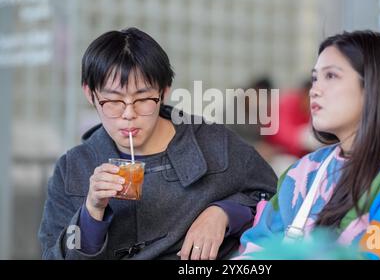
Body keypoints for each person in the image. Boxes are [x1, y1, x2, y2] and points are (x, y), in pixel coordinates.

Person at [38, 27, 277, 260]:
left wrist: (225, 212)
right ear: (90, 94)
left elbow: (275, 196)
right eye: (112, 101)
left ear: (164, 91)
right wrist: (92, 211)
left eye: (143, 99)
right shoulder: (73, 168)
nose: (128, 113)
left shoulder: (213, 143)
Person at [237, 30, 380, 260]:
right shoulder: (302, 173)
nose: (315, 90)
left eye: (331, 76)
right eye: (315, 78)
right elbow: (255, 250)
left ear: (372, 86)